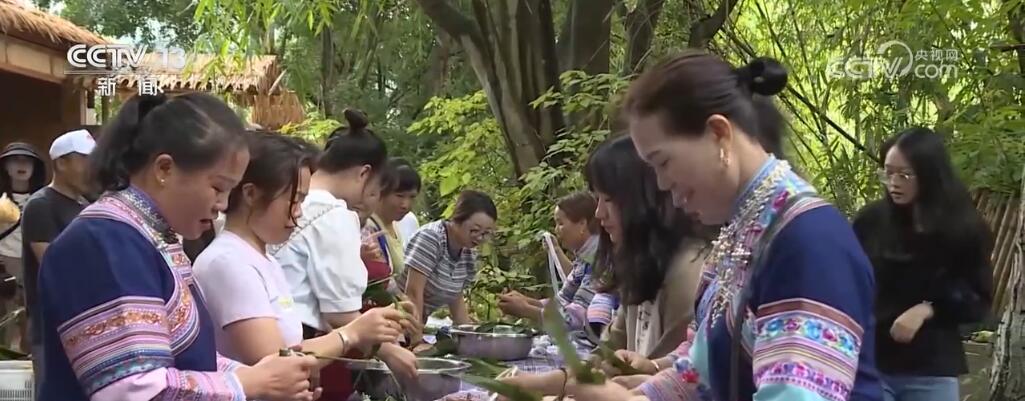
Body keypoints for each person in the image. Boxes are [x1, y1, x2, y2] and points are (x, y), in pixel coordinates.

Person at [567, 52, 884, 401]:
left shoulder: (810, 243)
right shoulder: (741, 235)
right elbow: (699, 373)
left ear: (718, 134)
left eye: (663, 162)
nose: (660, 184)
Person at [36, 93, 317, 401]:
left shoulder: (151, 237)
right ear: (164, 169)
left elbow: (193, 358)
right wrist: (248, 385)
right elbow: (132, 389)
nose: (221, 205)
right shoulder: (102, 242)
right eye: (218, 187)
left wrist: (257, 377)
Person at [194, 131, 415, 376]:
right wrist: (352, 333)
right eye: (295, 200)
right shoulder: (229, 263)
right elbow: (275, 364)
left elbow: (289, 350)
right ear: (250, 194)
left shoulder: (261, 258)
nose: (299, 213)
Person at [500, 137, 706, 398]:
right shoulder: (640, 266)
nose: (599, 214)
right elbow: (608, 353)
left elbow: (666, 378)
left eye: (607, 200)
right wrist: (543, 383)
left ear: (645, 201)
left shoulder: (688, 273)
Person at [271, 110, 419, 400]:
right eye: (374, 189)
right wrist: (391, 353)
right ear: (364, 173)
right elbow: (340, 312)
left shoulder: (291, 199)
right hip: (308, 349)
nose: (368, 200)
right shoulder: (333, 213)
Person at [853, 127, 992, 401]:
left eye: (904, 175)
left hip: (931, 368)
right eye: (888, 172)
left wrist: (929, 309)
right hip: (871, 363)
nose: (893, 182)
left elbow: (978, 298)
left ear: (929, 176)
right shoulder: (871, 222)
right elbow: (846, 281)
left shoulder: (962, 229)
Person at [20, 129, 96, 388]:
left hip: (85, 324)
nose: (91, 169)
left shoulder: (86, 205)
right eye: (84, 161)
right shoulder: (41, 205)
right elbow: (54, 266)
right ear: (61, 163)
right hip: (52, 327)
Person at [497, 191, 610, 336]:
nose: (556, 230)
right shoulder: (584, 258)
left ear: (582, 224)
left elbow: (576, 320)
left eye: (560, 223)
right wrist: (526, 301)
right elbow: (561, 302)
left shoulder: (600, 258)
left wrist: (526, 310)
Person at [399, 190, 497, 327]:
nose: (480, 238)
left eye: (486, 233)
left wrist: (467, 333)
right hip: (396, 317)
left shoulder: (468, 253)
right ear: (457, 219)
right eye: (475, 230)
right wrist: (416, 334)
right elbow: (413, 292)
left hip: (416, 322)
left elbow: (455, 297)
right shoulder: (431, 238)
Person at [0, 142, 46, 285]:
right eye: (15, 160)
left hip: (35, 262)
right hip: (5, 262)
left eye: (27, 160)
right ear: (5, 166)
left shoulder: (45, 199)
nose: (22, 164)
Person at [367, 158, 422, 277]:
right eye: (399, 196)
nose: (405, 204)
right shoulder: (368, 228)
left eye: (412, 197)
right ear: (381, 192)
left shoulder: (397, 225)